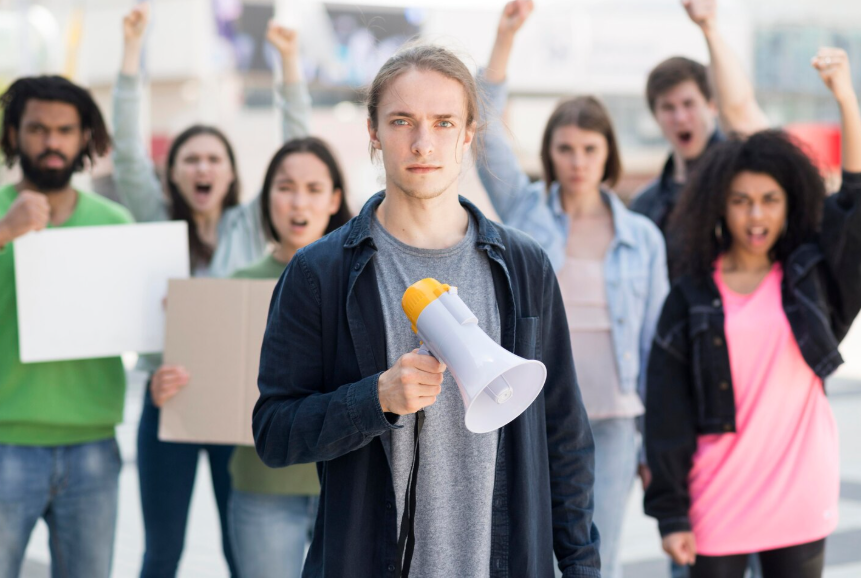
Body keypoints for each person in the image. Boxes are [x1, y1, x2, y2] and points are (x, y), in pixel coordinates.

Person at [252, 44, 601, 578]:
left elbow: (565, 437)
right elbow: (274, 433)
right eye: (401, 121)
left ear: (468, 133)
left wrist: (582, 567)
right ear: (373, 131)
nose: (423, 143)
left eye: (443, 122)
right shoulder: (319, 273)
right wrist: (375, 400)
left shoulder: (525, 266)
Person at [644, 48, 861, 578]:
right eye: (741, 200)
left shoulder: (811, 281)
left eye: (770, 199)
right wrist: (671, 513)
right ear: (719, 205)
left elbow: (855, 203)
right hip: (716, 496)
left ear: (790, 206)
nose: (756, 214)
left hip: (799, 492)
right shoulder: (691, 295)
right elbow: (666, 412)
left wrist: (845, 97)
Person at [112, 5, 311, 577]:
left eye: (214, 159)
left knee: (238, 550)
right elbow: (127, 153)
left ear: (230, 173)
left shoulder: (251, 225)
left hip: (235, 406)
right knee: (161, 553)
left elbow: (297, 147)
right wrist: (131, 53)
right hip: (168, 397)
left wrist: (289, 60)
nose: (202, 167)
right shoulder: (155, 221)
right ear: (173, 171)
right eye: (190, 158)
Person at [475, 3, 668, 577]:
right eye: (565, 149)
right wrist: (505, 38)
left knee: (592, 555)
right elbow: (483, 131)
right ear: (550, 154)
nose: (578, 161)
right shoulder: (525, 209)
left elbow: (659, 343)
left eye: (590, 149)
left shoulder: (642, 236)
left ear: (608, 151)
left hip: (611, 421)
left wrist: (657, 443)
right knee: (524, 549)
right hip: (533, 410)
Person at [0, 76, 133, 578]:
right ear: (13, 136)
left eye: (65, 130)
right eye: (37, 129)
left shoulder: (115, 224)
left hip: (93, 445)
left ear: (84, 138)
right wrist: (0, 234)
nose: (52, 142)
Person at [227, 136, 351, 578]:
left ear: (335, 199)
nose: (299, 202)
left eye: (315, 188)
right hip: (264, 486)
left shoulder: (363, 277)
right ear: (266, 198)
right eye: (285, 187)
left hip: (347, 485)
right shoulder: (235, 285)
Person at [631, 0, 768, 239]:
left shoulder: (742, 171)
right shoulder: (644, 206)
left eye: (688, 104)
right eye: (668, 108)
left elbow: (740, 108)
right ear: (655, 116)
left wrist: (709, 28)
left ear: (712, 105)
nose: (681, 117)